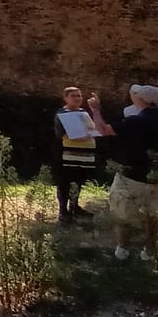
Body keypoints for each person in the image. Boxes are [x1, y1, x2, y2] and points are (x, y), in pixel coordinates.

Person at [87, 85, 158, 261]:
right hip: (154, 178)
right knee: (151, 215)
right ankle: (149, 252)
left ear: (141, 100)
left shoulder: (136, 121)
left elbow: (103, 130)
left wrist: (95, 110)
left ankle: (123, 250)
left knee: (122, 213)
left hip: (130, 175)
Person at [53, 86, 99, 224]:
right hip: (68, 153)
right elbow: (60, 133)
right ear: (65, 98)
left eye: (79, 95)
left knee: (79, 181)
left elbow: (92, 129)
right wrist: (80, 135)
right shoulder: (62, 113)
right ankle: (63, 211)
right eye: (73, 96)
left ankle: (75, 207)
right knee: (65, 182)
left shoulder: (84, 112)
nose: (78, 98)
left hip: (85, 153)